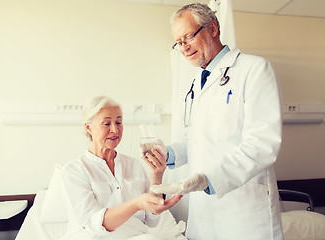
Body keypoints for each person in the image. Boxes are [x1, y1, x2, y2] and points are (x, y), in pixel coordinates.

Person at [150, 3, 283, 240]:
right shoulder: (195, 84)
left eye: (188, 37)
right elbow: (193, 138)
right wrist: (167, 153)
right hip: (204, 212)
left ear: (212, 28)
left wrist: (209, 179)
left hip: (244, 211)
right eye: (178, 42)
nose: (184, 48)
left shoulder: (254, 69)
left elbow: (262, 145)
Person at [60, 96, 183, 240]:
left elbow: (152, 221)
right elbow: (93, 223)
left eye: (119, 122)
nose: (115, 129)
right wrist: (137, 204)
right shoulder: (74, 171)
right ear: (89, 127)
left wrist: (157, 175)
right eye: (106, 123)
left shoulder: (134, 165)